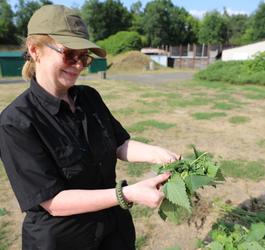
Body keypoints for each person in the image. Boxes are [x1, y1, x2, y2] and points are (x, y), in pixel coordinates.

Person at [0, 4, 180, 250]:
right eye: (68, 54)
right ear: (35, 50)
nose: (77, 65)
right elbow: (52, 201)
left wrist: (158, 154)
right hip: (63, 240)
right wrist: (126, 194)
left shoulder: (89, 97)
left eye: (83, 57)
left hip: (113, 231)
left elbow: (119, 144)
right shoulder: (16, 122)